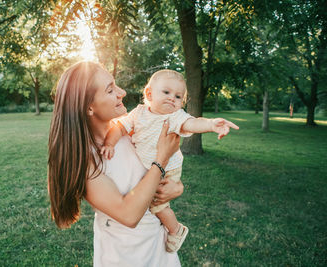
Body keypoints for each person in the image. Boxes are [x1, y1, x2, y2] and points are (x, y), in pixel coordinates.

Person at [47, 61, 184, 267]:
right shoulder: (87, 160)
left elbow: (156, 177)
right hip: (125, 257)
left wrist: (177, 188)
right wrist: (161, 160)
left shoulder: (131, 129)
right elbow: (128, 215)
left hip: (160, 249)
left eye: (115, 84)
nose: (122, 92)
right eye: (110, 90)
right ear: (89, 107)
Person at [101, 69, 239, 252]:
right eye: (166, 92)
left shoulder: (175, 116)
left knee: (157, 205)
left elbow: (193, 123)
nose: (172, 98)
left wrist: (211, 124)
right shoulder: (138, 113)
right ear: (149, 93)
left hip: (168, 170)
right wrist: (110, 143)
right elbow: (119, 127)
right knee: (145, 198)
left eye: (178, 96)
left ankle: (176, 229)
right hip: (149, 169)